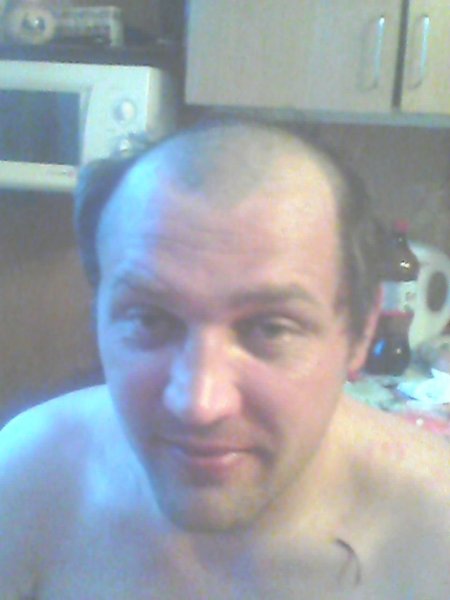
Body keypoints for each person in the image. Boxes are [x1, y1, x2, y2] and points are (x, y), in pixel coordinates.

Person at [0, 117, 449, 599]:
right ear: (98, 318)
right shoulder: (29, 480)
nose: (198, 404)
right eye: (149, 319)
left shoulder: (434, 535)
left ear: (360, 332)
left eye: (271, 328)